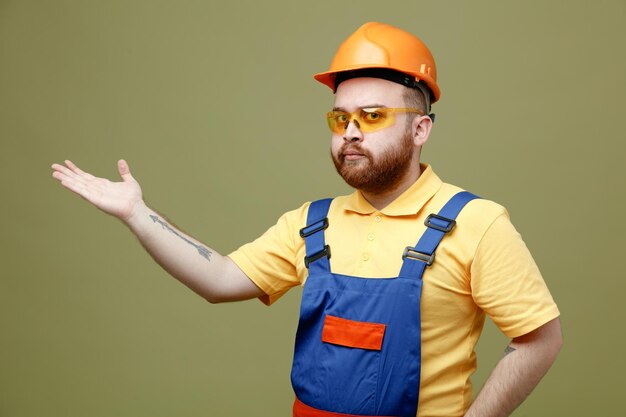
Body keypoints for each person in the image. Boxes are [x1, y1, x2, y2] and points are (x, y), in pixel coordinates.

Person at [51, 22, 562, 417]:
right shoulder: (311, 223)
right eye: (341, 118)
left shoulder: (476, 223)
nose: (351, 131)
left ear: (420, 129)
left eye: (374, 115)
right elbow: (219, 279)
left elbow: (540, 340)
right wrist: (137, 214)